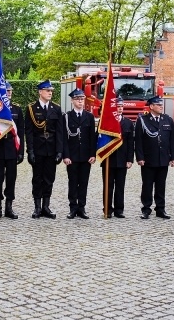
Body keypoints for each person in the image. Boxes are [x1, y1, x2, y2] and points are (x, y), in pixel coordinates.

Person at [25, 80, 64, 219]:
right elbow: (28, 132)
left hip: (51, 148)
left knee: (49, 178)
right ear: (40, 92)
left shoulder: (56, 108)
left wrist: (60, 151)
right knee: (37, 179)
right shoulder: (31, 108)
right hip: (38, 148)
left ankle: (46, 206)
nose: (50, 93)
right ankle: (37, 207)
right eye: (47, 90)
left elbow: (60, 131)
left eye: (51, 91)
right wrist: (30, 151)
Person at [135, 95, 174, 219]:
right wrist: (140, 157)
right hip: (148, 158)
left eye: (161, 105)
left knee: (161, 185)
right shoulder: (143, 120)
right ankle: (146, 208)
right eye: (158, 105)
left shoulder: (167, 120)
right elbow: (138, 141)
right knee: (147, 185)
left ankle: (160, 209)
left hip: (163, 158)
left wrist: (173, 157)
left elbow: (172, 140)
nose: (161, 107)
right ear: (151, 106)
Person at [0, 82, 24, 220]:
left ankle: (9, 207)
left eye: (10, 91)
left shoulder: (16, 109)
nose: (9, 93)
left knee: (11, 179)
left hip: (11, 148)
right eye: (6, 91)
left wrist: (21, 151)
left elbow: (20, 131)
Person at [62, 88, 96, 219]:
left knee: (83, 182)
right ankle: (73, 207)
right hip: (72, 156)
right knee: (72, 182)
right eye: (77, 99)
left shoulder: (89, 117)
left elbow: (92, 138)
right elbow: (64, 138)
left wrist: (93, 154)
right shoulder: (66, 117)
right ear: (72, 101)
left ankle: (82, 208)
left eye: (82, 99)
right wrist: (66, 155)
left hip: (86, 156)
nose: (80, 101)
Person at [101, 96, 134, 218]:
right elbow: (99, 140)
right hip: (109, 159)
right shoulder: (106, 122)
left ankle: (119, 210)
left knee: (120, 186)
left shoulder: (128, 123)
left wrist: (130, 159)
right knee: (108, 186)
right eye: (117, 107)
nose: (120, 109)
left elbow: (131, 143)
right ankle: (107, 209)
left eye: (121, 106)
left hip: (122, 160)